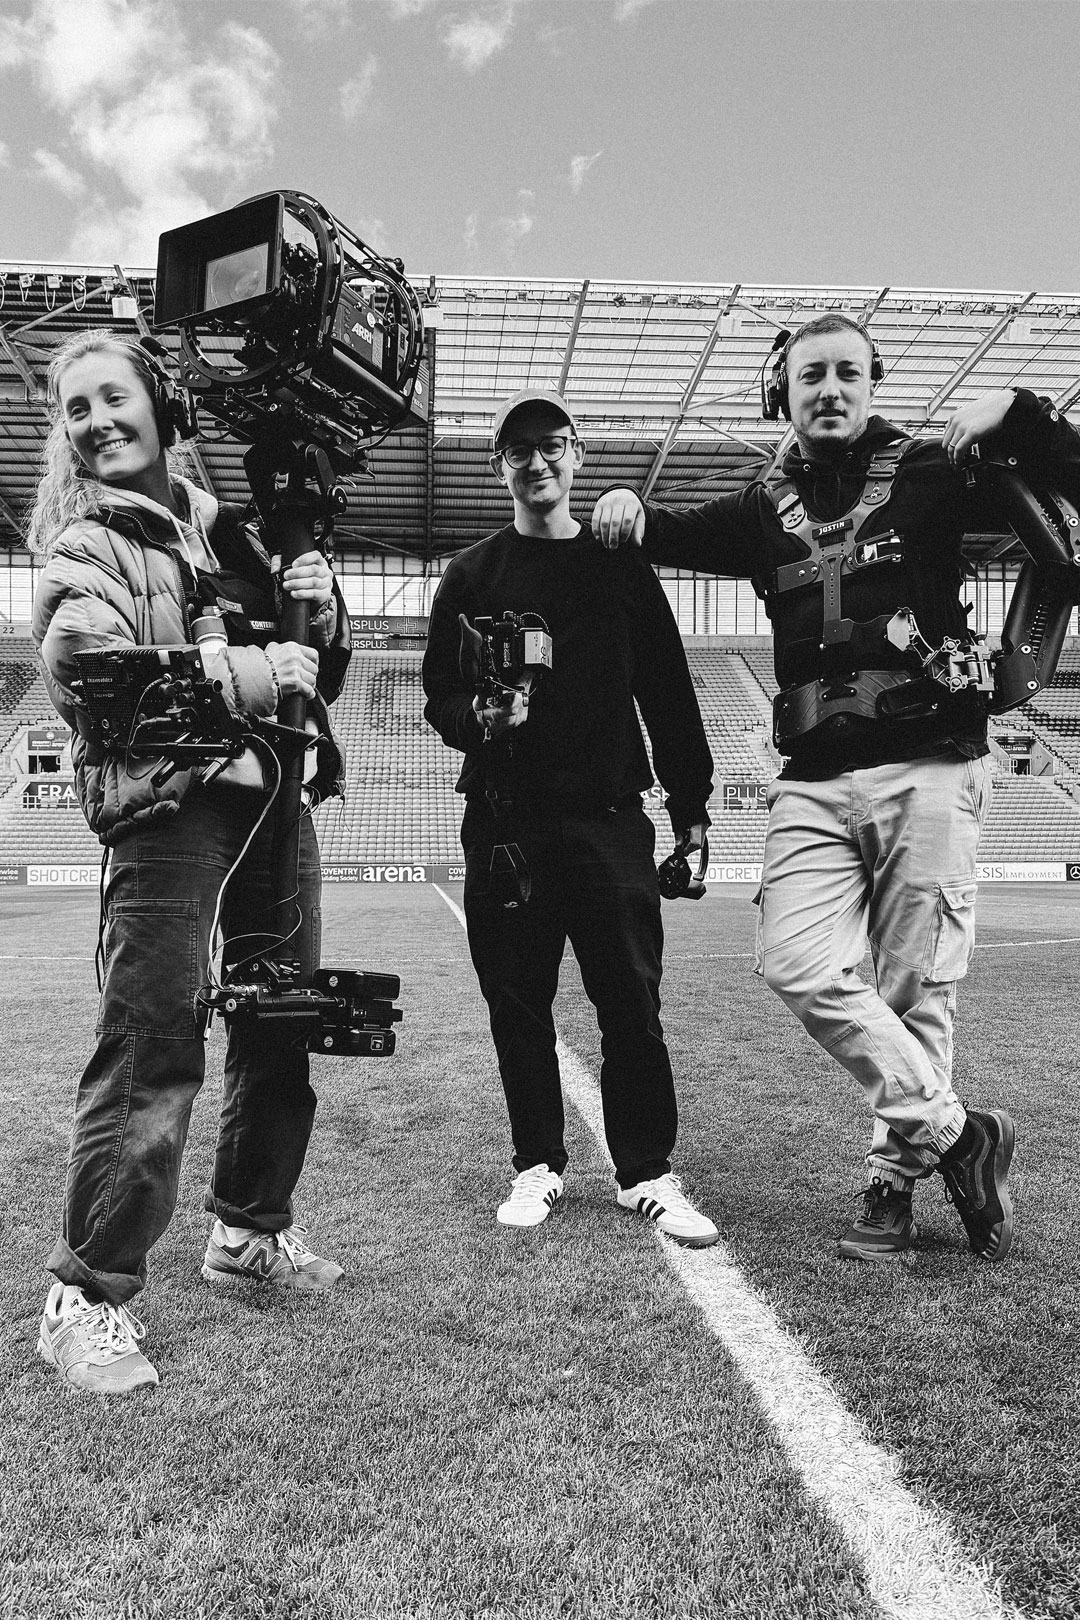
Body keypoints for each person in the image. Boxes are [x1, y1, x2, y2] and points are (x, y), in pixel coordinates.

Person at [592, 313, 1080, 1263]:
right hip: (812, 777)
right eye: (811, 374)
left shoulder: (935, 470)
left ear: (872, 382)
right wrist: (622, 503)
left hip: (930, 760)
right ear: (782, 390)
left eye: (848, 373)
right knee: (794, 962)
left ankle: (891, 1188)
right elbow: (659, 530)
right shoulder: (758, 509)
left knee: (914, 988)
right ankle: (961, 1137)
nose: (830, 390)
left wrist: (1023, 413)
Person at [27, 329, 351, 1394]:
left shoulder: (231, 533)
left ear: (165, 410)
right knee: (153, 1041)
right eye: (76, 409)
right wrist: (254, 671)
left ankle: (248, 1231)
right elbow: (90, 671)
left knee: (280, 1017)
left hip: (274, 800)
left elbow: (315, 673)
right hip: (168, 810)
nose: (94, 423)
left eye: (111, 398)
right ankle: (85, 1294)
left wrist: (319, 606)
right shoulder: (88, 543)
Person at [423, 387, 717, 1244]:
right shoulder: (470, 575)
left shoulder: (620, 566)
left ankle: (646, 1172)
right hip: (505, 823)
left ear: (577, 454)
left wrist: (692, 809)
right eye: (519, 450)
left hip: (608, 818)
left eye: (552, 445)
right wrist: (479, 719)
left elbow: (668, 692)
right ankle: (537, 1164)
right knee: (518, 1002)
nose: (537, 461)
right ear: (500, 466)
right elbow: (439, 694)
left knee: (631, 1002)